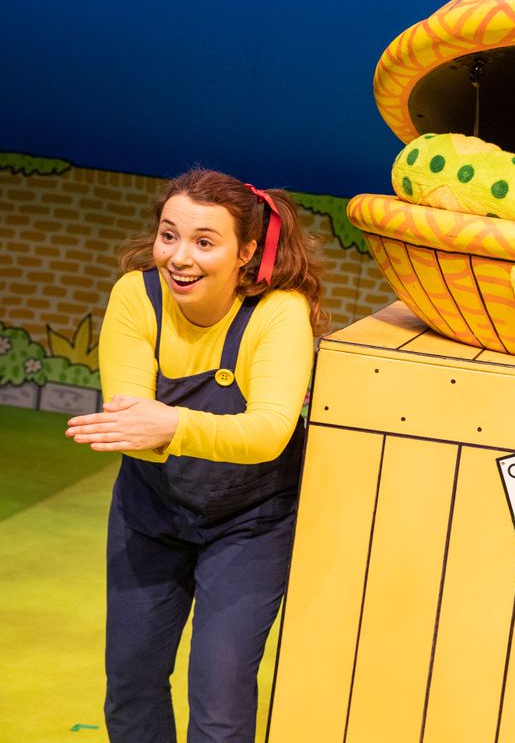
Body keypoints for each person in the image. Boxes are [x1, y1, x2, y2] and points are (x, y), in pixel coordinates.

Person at [66, 169, 327, 742]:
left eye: (205, 242)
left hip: (251, 523)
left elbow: (269, 432)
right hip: (150, 511)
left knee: (220, 697)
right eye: (169, 235)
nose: (180, 257)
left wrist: (170, 423)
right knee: (131, 682)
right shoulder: (136, 296)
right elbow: (133, 427)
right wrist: (154, 428)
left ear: (246, 252)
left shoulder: (278, 312)